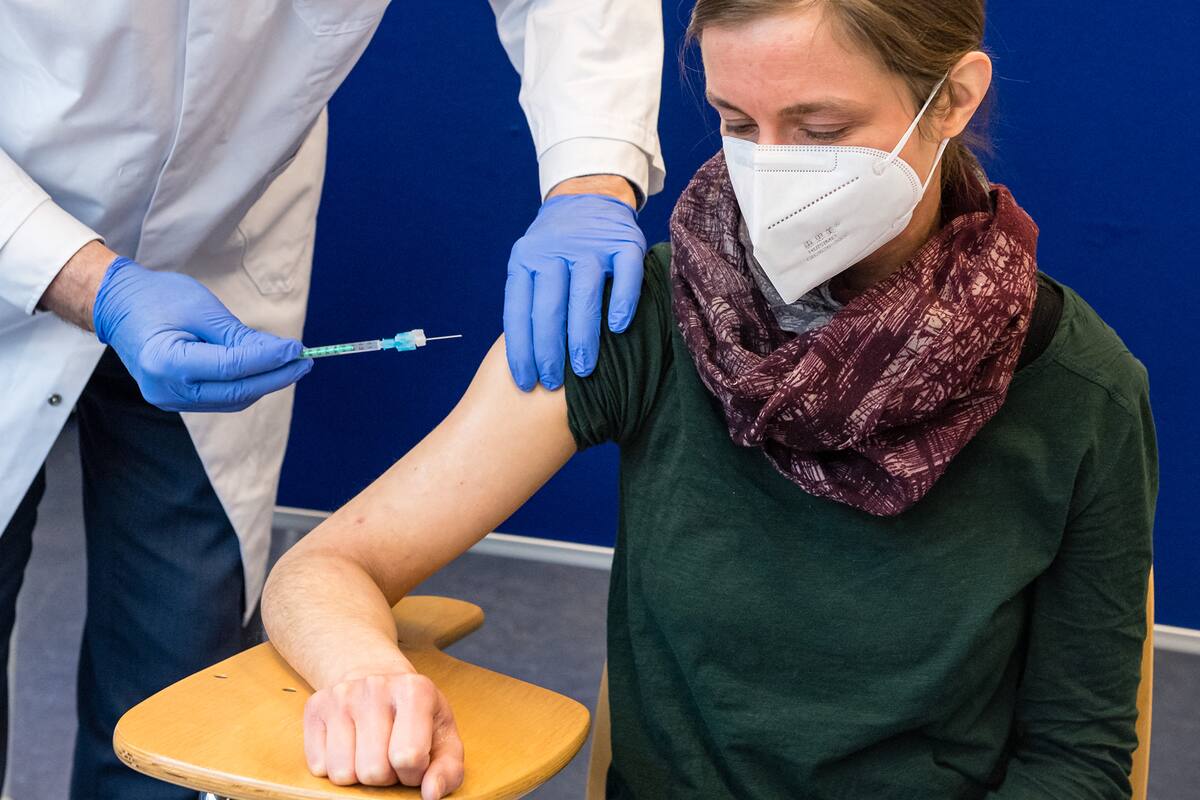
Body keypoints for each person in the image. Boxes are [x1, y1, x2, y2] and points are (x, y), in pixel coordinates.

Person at [261, 0, 1157, 798]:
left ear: (952, 99)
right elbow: (326, 569)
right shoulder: (643, 313)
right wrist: (366, 677)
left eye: (820, 128)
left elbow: (1076, 761)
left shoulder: (1081, 392)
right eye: (737, 122)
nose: (769, 174)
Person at [0, 2, 663, 796]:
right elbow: (327, 571)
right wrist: (90, 282)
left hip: (219, 244)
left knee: (178, 690)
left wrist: (592, 179)